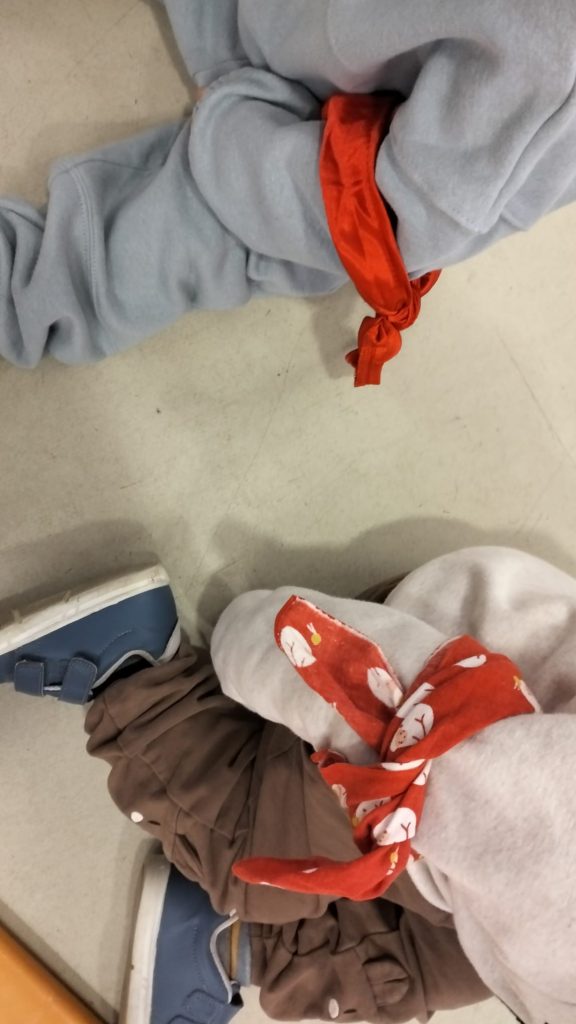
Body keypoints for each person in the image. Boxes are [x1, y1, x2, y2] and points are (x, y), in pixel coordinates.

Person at [1, 546, 574, 1024]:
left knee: (432, 972)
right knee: (252, 860)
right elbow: (435, 742)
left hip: (500, 819)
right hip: (431, 672)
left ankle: (249, 945)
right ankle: (133, 668)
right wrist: (263, 645)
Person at [2, 2, 576, 384]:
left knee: (115, 265)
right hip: (298, 26)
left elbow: (396, 221)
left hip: (321, 165)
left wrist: (231, 132)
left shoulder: (550, 54)